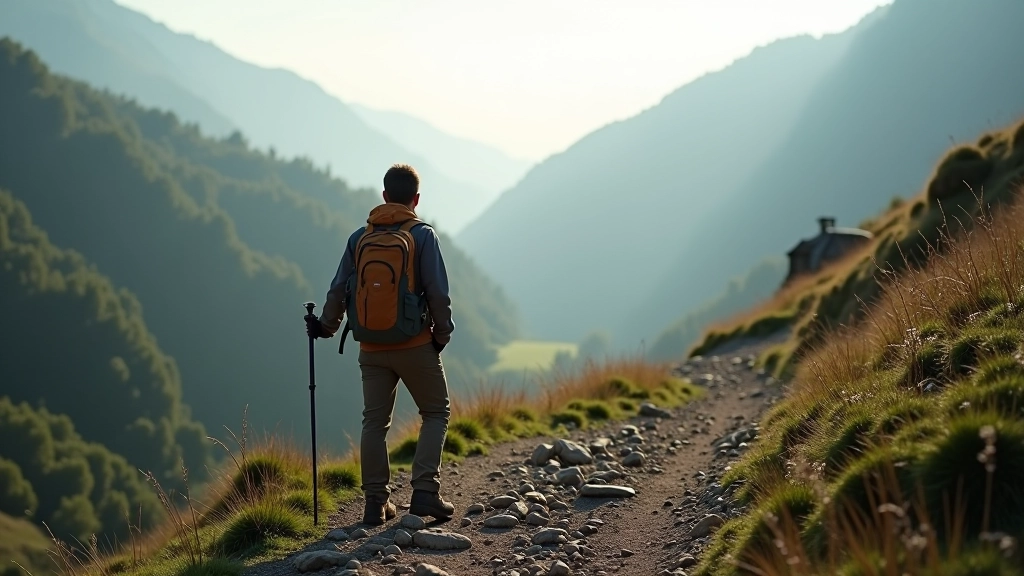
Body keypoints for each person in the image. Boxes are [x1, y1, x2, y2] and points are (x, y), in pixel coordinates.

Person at [306, 163, 456, 525]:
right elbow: (437, 291)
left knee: (374, 423)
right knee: (436, 412)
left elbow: (338, 288)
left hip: (370, 347)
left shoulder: (360, 237)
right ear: (416, 199)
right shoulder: (423, 235)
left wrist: (325, 327)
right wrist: (442, 333)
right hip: (415, 343)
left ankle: (375, 503)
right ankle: (424, 493)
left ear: (385, 196)